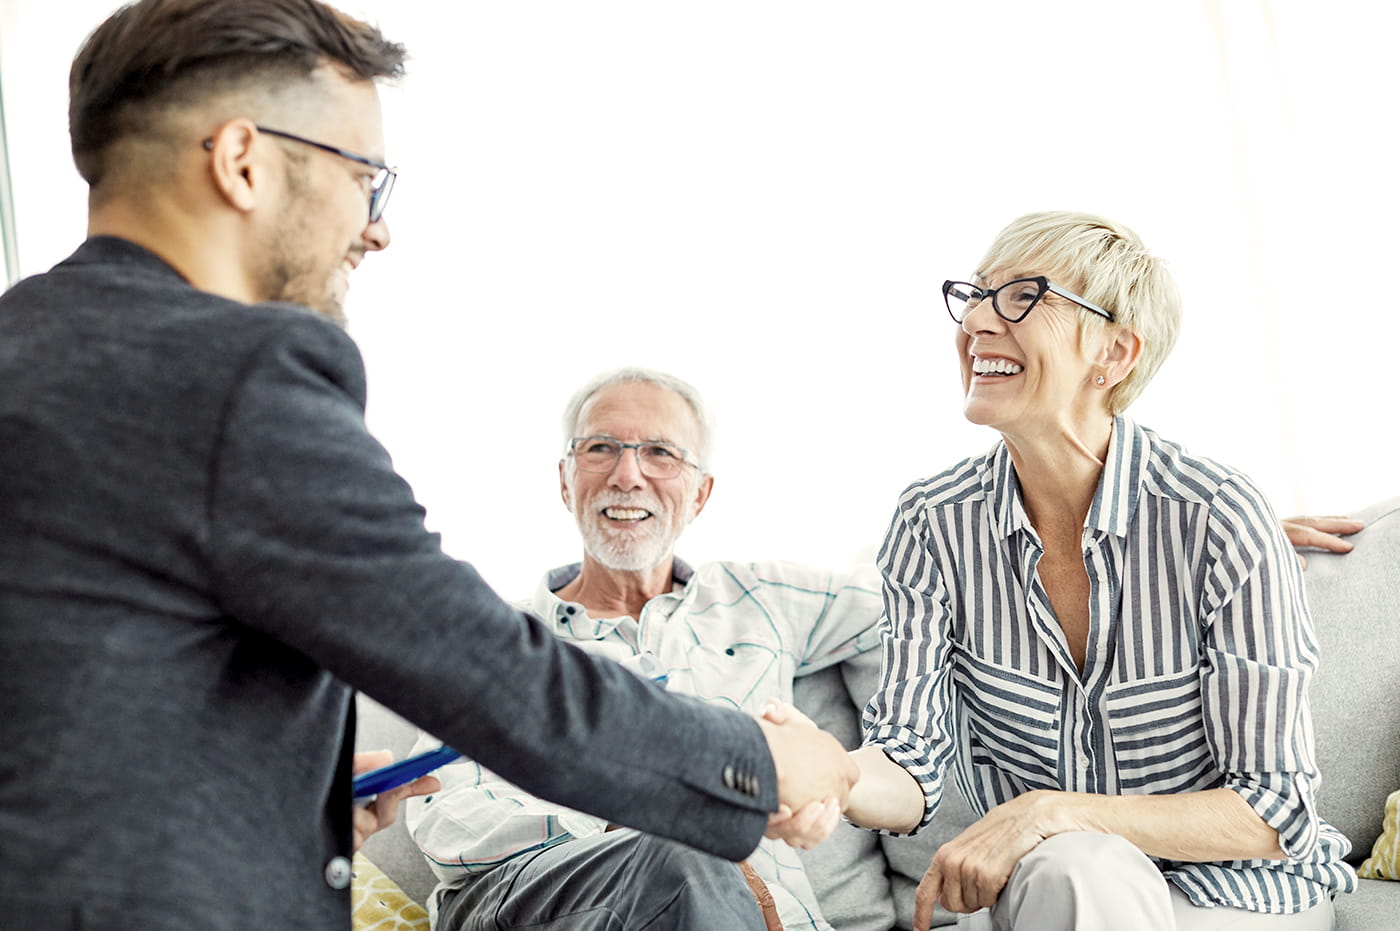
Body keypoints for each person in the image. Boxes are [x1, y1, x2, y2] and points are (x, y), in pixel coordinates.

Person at [0, 2, 856, 927]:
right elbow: (490, 675)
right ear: (242, 161)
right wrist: (757, 764)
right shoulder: (237, 371)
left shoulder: (26, 350)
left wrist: (298, 796)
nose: (377, 228)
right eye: (364, 176)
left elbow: (79, 703)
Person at [773, 212, 1359, 930]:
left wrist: (1046, 811)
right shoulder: (932, 522)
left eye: (1023, 296)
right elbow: (910, 758)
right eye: (977, 295)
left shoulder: (1216, 514)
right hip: (1065, 889)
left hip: (1240, 897)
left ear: (1114, 352)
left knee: (1072, 853)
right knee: (1078, 865)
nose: (980, 321)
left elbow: (1273, 811)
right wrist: (835, 770)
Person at [402, 367, 884, 931]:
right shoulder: (494, 636)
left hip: (759, 915)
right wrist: (637, 822)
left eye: (660, 452)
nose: (628, 475)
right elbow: (444, 810)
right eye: (601, 448)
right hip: (537, 896)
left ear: (700, 493)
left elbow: (914, 607)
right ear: (565, 479)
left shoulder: (760, 598)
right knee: (684, 852)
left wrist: (853, 766)